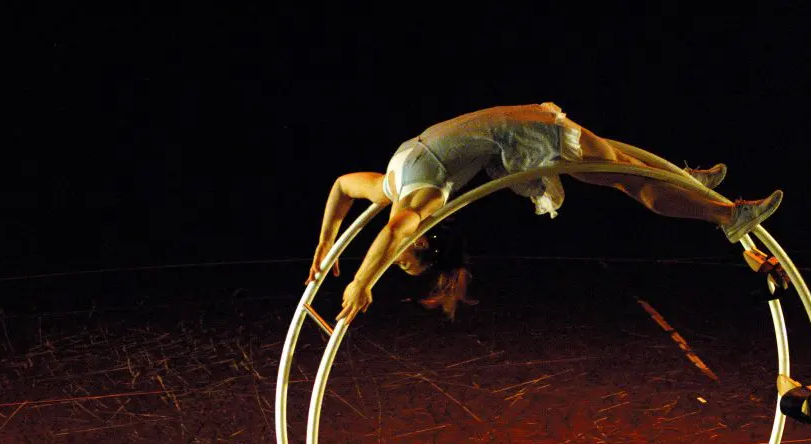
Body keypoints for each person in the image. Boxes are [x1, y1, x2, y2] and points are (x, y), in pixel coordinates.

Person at [306, 102, 782, 324]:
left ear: (423, 238)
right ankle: (689, 186)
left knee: (629, 179)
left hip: (528, 133)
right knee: (621, 169)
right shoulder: (391, 185)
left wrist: (360, 280)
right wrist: (327, 243)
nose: (396, 258)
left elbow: (390, 230)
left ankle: (726, 216)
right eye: (401, 263)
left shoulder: (423, 199)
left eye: (401, 261)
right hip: (520, 123)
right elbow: (343, 187)